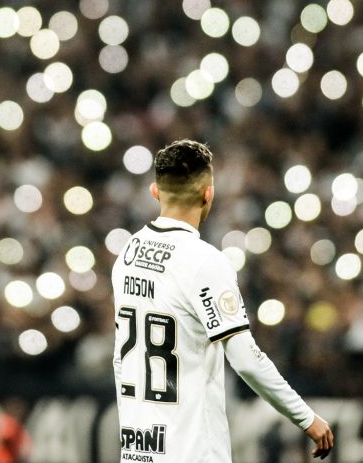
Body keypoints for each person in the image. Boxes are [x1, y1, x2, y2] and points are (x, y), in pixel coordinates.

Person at [111, 139, 334, 462]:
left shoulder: (128, 254)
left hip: (138, 451)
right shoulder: (204, 262)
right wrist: (305, 417)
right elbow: (245, 359)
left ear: (155, 192)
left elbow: (121, 358)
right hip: (192, 452)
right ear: (208, 193)